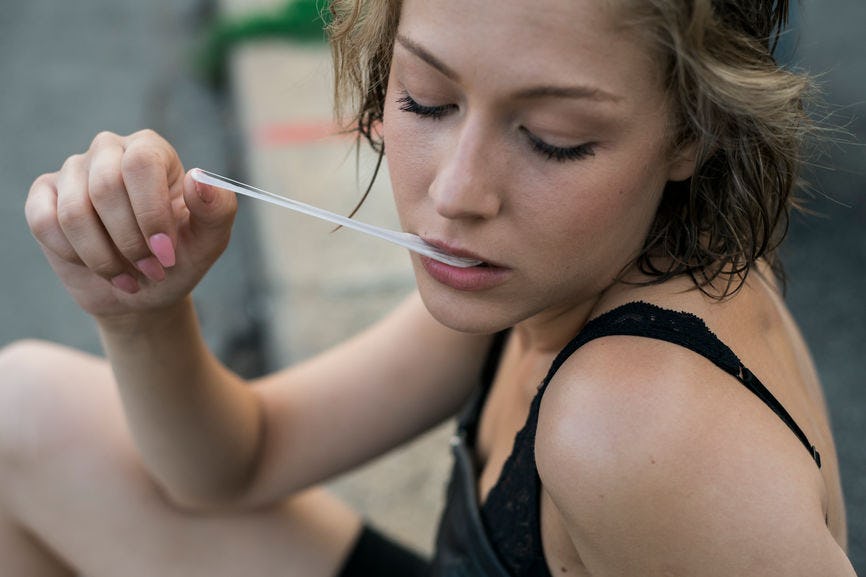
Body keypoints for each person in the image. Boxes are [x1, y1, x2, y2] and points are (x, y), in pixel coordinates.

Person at [0, 0, 857, 575]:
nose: (456, 193)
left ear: (695, 131)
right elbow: (241, 459)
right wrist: (140, 310)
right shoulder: (563, 269)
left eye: (553, 137)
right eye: (425, 99)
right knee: (22, 411)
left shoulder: (631, 425)